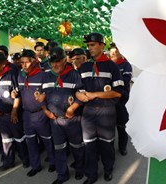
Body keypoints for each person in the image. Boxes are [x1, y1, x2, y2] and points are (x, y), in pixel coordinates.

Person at [77, 32, 124, 184]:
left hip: (106, 112)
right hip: (88, 113)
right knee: (89, 145)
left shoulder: (112, 67)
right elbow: (76, 89)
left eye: (93, 45)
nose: (89, 48)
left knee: (107, 144)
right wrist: (80, 95)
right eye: (88, 45)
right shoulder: (84, 67)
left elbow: (118, 92)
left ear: (102, 46)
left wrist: (93, 95)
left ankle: (108, 169)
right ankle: (91, 175)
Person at [41, 47, 85, 184]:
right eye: (52, 62)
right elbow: (42, 96)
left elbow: (81, 95)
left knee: (76, 146)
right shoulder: (47, 76)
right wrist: (45, 110)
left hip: (72, 119)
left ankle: (80, 169)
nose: (55, 65)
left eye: (58, 61)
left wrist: (72, 108)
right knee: (59, 148)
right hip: (55, 121)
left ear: (65, 60)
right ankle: (62, 175)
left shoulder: (74, 74)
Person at [15, 49, 55, 177]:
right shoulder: (20, 75)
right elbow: (18, 91)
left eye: (26, 62)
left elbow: (50, 91)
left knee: (47, 140)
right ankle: (35, 166)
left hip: (40, 114)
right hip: (26, 114)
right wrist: (14, 93)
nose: (24, 65)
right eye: (22, 63)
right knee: (30, 142)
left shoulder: (43, 75)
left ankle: (53, 162)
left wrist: (44, 95)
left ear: (34, 61)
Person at [0, 52, 29, 171]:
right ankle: (8, 161)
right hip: (1, 115)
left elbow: (18, 95)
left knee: (19, 138)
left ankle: (25, 158)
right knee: (6, 139)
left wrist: (14, 111)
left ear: (4, 64)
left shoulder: (12, 74)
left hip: (13, 114)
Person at [109, 43, 133, 156]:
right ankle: (109, 148)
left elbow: (126, 80)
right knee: (108, 126)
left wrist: (112, 81)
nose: (113, 54)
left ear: (120, 53)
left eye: (115, 52)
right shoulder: (107, 65)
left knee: (121, 125)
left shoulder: (126, 65)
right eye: (111, 53)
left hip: (121, 100)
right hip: (109, 100)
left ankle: (122, 146)